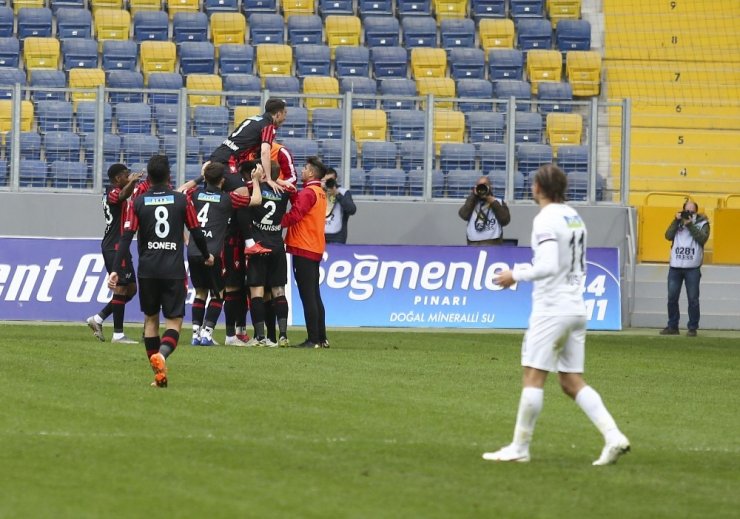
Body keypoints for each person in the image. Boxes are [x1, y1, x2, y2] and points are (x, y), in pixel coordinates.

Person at [483, 164, 630, 465]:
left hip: (553, 308)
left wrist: (516, 273)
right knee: (571, 381)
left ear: (538, 186)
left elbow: (548, 265)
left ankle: (520, 448)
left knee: (533, 377)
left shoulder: (546, 219)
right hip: (576, 306)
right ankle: (614, 436)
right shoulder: (574, 217)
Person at [109, 155, 214, 388]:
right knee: (174, 322)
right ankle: (163, 356)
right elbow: (196, 231)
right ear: (169, 176)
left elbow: (125, 237)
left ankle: (159, 376)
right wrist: (206, 255)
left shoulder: (138, 202)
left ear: (148, 175)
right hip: (173, 270)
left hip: (147, 270)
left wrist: (115, 269)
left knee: (150, 321)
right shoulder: (181, 200)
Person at [187, 162, 263, 346]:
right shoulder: (227, 198)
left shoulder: (194, 194)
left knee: (199, 293)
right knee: (218, 294)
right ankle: (207, 333)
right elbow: (256, 200)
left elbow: (183, 191)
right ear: (222, 180)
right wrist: (256, 180)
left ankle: (195, 334)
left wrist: (200, 177)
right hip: (213, 253)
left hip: (193, 250)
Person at [86, 163, 143, 344]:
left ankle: (98, 318)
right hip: (114, 245)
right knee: (121, 287)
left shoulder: (117, 190)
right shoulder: (112, 191)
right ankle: (118, 334)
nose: (129, 176)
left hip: (120, 245)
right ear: (118, 178)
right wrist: (132, 183)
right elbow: (122, 195)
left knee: (131, 289)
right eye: (126, 175)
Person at [281, 156, 329, 349]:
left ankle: (313, 339)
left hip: (304, 247)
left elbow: (296, 214)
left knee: (307, 295)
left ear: (311, 173)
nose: (301, 171)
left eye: (304, 168)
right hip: (314, 246)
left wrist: (274, 223)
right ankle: (321, 338)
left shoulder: (309, 192)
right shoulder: (320, 192)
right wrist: (294, 194)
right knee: (315, 295)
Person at [244, 163, 292, 347]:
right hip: (277, 246)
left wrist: (256, 180)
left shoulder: (254, 189)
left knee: (257, 292)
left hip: (259, 246)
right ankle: (283, 335)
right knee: (278, 291)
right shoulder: (284, 191)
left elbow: (246, 191)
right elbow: (293, 188)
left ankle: (259, 337)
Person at [660, 199, 710, 337]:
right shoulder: (678, 223)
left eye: (692, 212)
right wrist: (676, 221)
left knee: (693, 298)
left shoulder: (702, 224)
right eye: (686, 211)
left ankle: (692, 327)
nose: (689, 214)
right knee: (672, 297)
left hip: (692, 267)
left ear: (696, 212)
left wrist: (690, 225)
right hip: (675, 266)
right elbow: (668, 236)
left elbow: (702, 239)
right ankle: (672, 326)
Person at [458, 176, 511, 246]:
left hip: (493, 243)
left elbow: (505, 220)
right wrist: (473, 196)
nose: (482, 188)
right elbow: (463, 215)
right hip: (474, 244)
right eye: (480, 186)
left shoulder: (498, 202)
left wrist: (493, 202)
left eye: (485, 185)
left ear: (490, 187)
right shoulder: (472, 202)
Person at [323, 168, 357, 244]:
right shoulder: (318, 192)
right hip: (319, 235)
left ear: (336, 179)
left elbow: (352, 210)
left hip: (337, 237)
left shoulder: (343, 192)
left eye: (330, 180)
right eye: (325, 180)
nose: (328, 183)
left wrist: (337, 194)